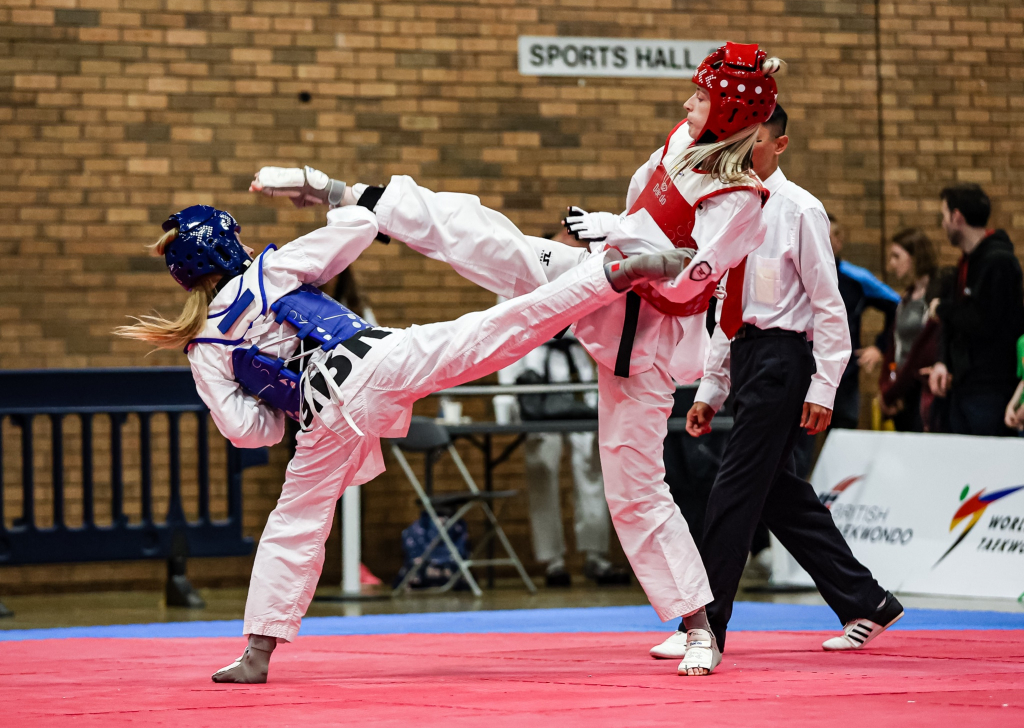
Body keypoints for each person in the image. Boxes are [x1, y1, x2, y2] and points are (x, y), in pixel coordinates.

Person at [256, 41, 783, 677]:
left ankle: (700, 626)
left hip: (645, 334)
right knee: (491, 240)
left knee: (634, 486)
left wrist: (623, 239)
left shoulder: (741, 200)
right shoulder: (680, 140)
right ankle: (346, 192)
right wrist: (612, 230)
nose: (688, 102)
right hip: (600, 273)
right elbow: (640, 206)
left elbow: (684, 281)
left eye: (700, 97)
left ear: (729, 112)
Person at [115, 202, 693, 683]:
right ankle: (609, 277)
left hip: (323, 416)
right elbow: (359, 226)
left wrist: (276, 401)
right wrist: (340, 200)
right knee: (500, 330)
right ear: (226, 245)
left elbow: (248, 433)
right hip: (375, 360)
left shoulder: (204, 345)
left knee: (294, 523)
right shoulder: (274, 268)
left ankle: (256, 653)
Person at [649, 103, 904, 665]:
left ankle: (704, 626)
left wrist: (824, 387)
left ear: (779, 145)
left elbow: (830, 306)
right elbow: (728, 306)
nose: (742, 150)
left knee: (733, 490)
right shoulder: (729, 209)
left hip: (786, 359)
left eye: (755, 140)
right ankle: (867, 601)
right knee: (776, 493)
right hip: (747, 356)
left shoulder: (800, 210)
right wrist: (711, 390)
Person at [495, 232, 628, 588]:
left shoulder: (589, 270)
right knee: (543, 469)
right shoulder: (519, 277)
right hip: (536, 382)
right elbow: (502, 337)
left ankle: (596, 556)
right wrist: (505, 404)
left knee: (591, 469)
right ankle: (553, 560)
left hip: (579, 380)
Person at [928, 184, 1024, 436]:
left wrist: (942, 308)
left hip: (990, 388)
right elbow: (956, 322)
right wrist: (942, 362)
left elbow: (984, 321)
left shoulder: (998, 261)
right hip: (963, 385)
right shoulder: (967, 262)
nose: (943, 224)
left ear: (957, 217)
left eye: (944, 216)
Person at [829, 216, 901, 429]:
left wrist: (880, 346)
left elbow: (898, 306)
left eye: (828, 236)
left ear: (839, 240)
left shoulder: (856, 278)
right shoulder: (798, 274)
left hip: (845, 378)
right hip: (805, 377)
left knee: (842, 438)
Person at [876, 229, 940, 432]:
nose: (891, 264)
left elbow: (922, 352)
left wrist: (893, 391)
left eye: (896, 256)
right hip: (901, 391)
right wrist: (886, 386)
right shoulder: (907, 296)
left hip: (921, 390)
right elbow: (894, 348)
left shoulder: (933, 295)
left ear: (914, 257)